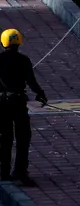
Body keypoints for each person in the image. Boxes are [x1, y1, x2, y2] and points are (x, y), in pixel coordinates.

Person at [0, 29, 46, 186]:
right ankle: (20, 171)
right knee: (23, 137)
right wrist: (41, 94)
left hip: (2, 104)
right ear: (19, 43)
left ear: (3, 43)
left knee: (5, 138)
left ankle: (3, 172)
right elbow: (32, 82)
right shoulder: (24, 60)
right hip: (19, 103)